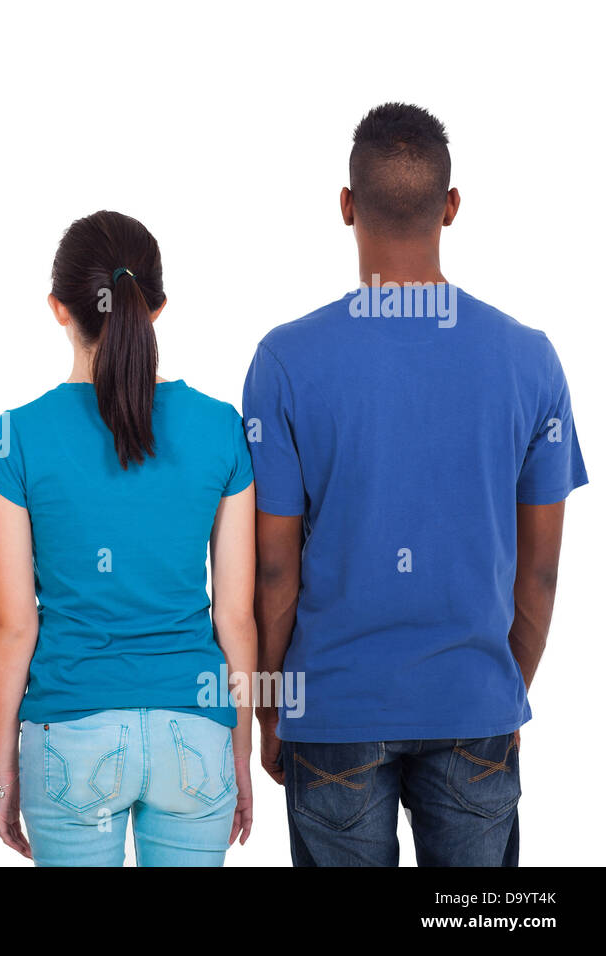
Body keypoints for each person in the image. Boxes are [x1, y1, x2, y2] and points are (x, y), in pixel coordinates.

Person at [244, 102, 588, 866]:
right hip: (475, 706)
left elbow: (274, 571)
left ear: (345, 206)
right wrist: (503, 691)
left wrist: (272, 709)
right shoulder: (530, 359)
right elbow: (540, 569)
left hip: (332, 711)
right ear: (452, 206)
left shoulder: (286, 362)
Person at [0, 210, 257, 866]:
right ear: (155, 307)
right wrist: (237, 751)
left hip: (69, 733)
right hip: (196, 729)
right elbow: (236, 617)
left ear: (57, 309)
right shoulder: (220, 429)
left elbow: (12, 626)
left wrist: (5, 770)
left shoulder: (12, 439)